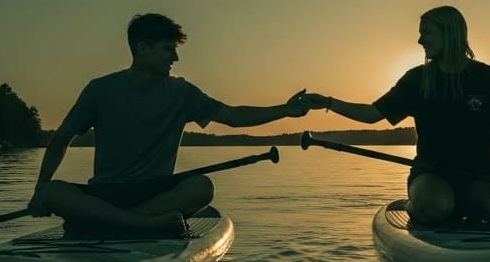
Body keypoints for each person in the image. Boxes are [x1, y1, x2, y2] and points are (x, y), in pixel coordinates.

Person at [29, 13, 310, 235]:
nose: (175, 58)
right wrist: (39, 193)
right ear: (142, 48)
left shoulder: (181, 93)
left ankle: (109, 222)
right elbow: (61, 140)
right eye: (168, 49)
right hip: (107, 192)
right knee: (53, 191)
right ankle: (143, 225)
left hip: (155, 193)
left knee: (202, 188)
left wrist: (286, 110)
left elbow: (234, 117)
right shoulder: (99, 90)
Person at [304, 6, 490, 225]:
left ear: (449, 34)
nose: (420, 40)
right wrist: (328, 102)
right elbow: (371, 114)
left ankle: (465, 207)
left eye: (426, 33)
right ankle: (415, 205)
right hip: (431, 175)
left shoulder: (486, 77)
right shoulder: (417, 80)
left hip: (479, 177)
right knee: (435, 206)